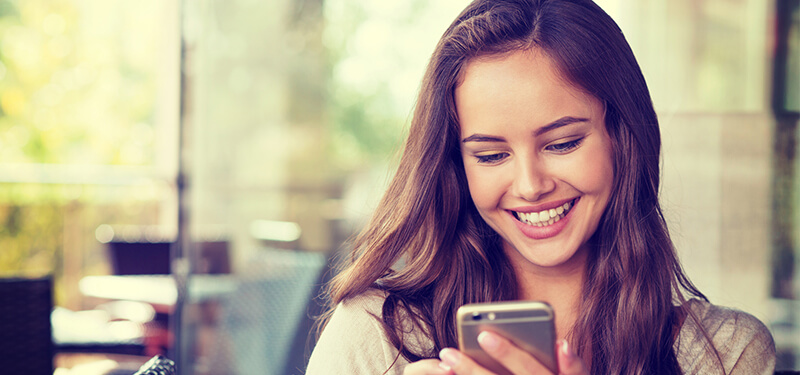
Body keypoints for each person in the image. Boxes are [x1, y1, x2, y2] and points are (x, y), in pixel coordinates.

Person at [306, 0, 776, 374]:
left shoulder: (725, 355)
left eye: (563, 143)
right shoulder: (372, 335)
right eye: (490, 155)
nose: (530, 186)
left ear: (624, 137)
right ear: (457, 165)